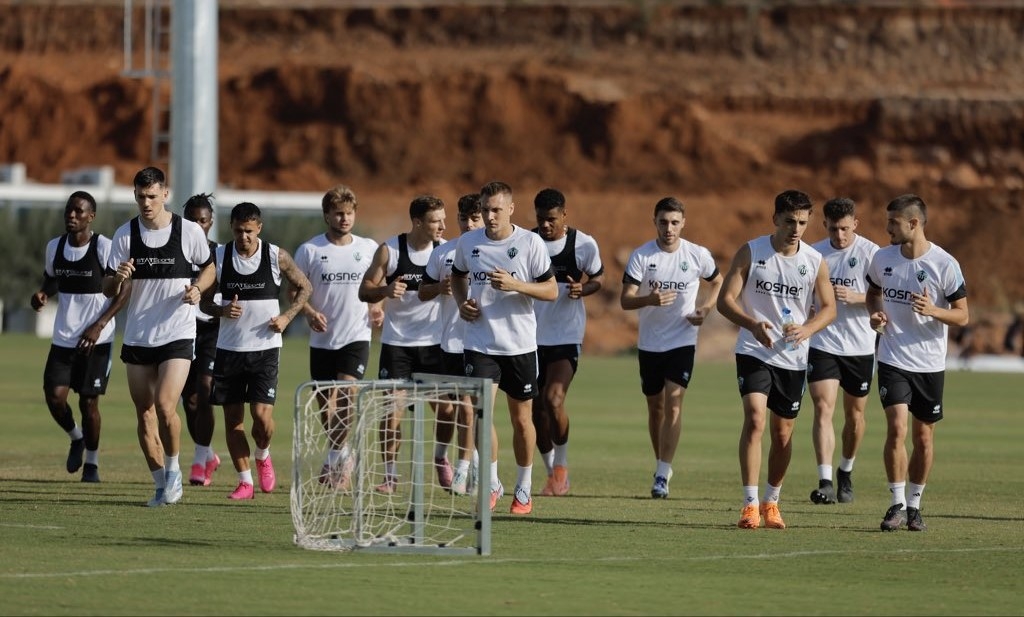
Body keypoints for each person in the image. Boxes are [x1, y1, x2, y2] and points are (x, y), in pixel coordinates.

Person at [717, 189, 837, 529]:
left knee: (782, 434)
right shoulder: (752, 252)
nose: (795, 229)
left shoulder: (814, 261)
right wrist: (751, 324)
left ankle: (772, 501)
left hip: (793, 357)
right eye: (789, 221)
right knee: (755, 418)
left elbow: (829, 308)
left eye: (802, 222)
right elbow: (725, 300)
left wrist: (808, 328)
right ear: (775, 219)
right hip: (754, 350)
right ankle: (750, 504)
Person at [103, 166, 215, 507]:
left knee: (166, 406)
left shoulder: (188, 231)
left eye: (152, 196)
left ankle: (174, 469)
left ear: (165, 194)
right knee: (145, 413)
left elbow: (209, 267)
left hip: (177, 332)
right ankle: (160, 483)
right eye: (140, 196)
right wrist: (118, 278)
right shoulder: (125, 234)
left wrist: (198, 289)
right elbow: (107, 288)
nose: (146, 203)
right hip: (138, 335)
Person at [451, 181, 558, 515]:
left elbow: (551, 290)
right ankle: (492, 482)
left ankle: (523, 487)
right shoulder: (469, 242)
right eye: (485, 210)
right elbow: (457, 276)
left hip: (519, 344)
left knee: (522, 420)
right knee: (481, 414)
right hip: (480, 342)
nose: (490, 216)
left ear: (511, 208)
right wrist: (461, 303)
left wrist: (516, 285)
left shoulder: (529, 242)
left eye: (496, 209)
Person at [866, 194, 969, 532]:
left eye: (893, 222)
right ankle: (896, 504)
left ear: (913, 223)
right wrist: (875, 314)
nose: (887, 228)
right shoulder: (882, 258)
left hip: (929, 364)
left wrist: (933, 310)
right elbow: (872, 293)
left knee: (923, 438)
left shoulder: (945, 264)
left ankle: (914, 505)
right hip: (892, 357)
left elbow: (963, 315)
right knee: (897, 427)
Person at [200, 202, 312, 500]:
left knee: (261, 419)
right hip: (229, 350)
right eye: (238, 230)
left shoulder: (276, 256)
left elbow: (305, 287)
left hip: (265, 350)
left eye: (249, 231)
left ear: (259, 228)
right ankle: (245, 481)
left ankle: (263, 453)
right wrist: (222, 310)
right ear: (231, 228)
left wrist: (287, 317)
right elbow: (205, 302)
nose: (244, 237)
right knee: (233, 420)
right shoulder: (219, 256)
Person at [620, 197, 723, 499]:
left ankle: (663, 474)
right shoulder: (642, 256)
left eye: (675, 222)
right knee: (656, 407)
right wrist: (649, 300)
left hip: (682, 340)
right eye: (663, 222)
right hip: (650, 343)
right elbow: (626, 300)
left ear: (683, 223)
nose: (669, 228)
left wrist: (705, 309)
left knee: (674, 403)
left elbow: (718, 282)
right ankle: (660, 465)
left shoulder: (697, 254)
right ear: (654, 221)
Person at [31, 191, 129, 483]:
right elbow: (52, 279)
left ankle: (92, 464)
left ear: (91, 216)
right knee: (54, 397)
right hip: (64, 337)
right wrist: (42, 294)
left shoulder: (104, 247)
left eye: (78, 211)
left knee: (89, 403)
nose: (71, 216)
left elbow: (124, 289)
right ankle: (77, 438)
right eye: (68, 211)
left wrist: (99, 325)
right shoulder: (55, 246)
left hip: (97, 340)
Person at [358, 194, 453, 493]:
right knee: (392, 412)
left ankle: (440, 457)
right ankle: (390, 475)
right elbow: (364, 290)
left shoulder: (445, 251)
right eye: (436, 221)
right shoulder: (390, 250)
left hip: (435, 344)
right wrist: (385, 291)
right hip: (397, 345)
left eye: (443, 219)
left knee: (447, 411)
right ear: (417, 222)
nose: (443, 226)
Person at [292, 184, 383, 490]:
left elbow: (378, 284)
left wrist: (377, 307)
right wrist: (308, 312)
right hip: (321, 339)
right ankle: (342, 454)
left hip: (356, 335)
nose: (345, 219)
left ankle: (334, 462)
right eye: (339, 213)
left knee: (347, 394)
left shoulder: (368, 248)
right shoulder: (310, 250)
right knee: (325, 404)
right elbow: (294, 291)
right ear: (327, 215)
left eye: (349, 213)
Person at [529, 188, 605, 497]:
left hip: (566, 335)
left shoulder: (583, 244)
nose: (545, 225)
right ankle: (551, 472)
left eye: (551, 219)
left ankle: (561, 467)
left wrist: (583, 289)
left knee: (554, 399)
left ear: (564, 215)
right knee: (535, 410)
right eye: (540, 219)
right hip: (528, 337)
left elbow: (598, 278)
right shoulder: (526, 242)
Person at [419, 193, 494, 496]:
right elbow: (422, 291)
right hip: (451, 342)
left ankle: (466, 467)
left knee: (470, 408)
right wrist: (440, 287)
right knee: (459, 409)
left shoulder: (494, 251)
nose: (469, 224)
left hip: (483, 343)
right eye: (464, 218)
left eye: (475, 218)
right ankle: (467, 464)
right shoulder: (443, 253)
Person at [806, 197, 880, 505]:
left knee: (855, 415)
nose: (839, 235)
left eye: (845, 229)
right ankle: (825, 481)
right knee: (823, 408)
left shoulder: (872, 254)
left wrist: (857, 297)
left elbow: (886, 296)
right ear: (825, 225)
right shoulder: (814, 254)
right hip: (823, 343)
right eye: (833, 229)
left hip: (860, 346)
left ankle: (845, 470)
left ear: (855, 225)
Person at [181, 193, 223, 487]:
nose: (197, 226)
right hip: (182, 329)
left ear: (211, 222)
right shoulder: (178, 253)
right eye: (192, 220)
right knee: (189, 399)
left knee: (205, 390)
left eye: (203, 221)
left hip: (211, 330)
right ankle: (208, 454)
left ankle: (198, 461)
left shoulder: (221, 254)